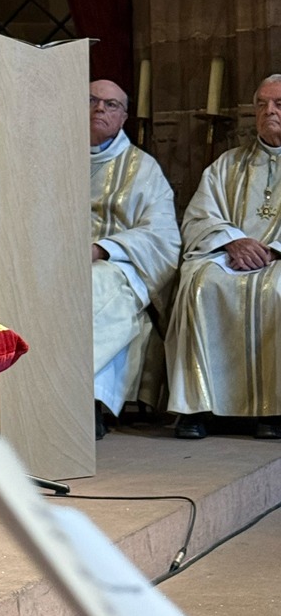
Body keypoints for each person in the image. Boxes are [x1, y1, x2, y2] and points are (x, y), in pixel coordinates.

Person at [165, 74, 281, 440]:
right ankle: (196, 407)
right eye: (261, 104)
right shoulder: (226, 165)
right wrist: (232, 241)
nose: (269, 111)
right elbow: (199, 216)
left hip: (278, 261)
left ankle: (274, 410)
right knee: (198, 283)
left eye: (278, 104)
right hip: (228, 256)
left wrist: (272, 249)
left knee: (276, 289)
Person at [88, 79, 180, 439]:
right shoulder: (54, 158)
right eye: (92, 101)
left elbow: (163, 236)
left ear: (124, 116)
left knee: (98, 288)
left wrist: (103, 249)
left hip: (122, 264)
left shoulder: (143, 168)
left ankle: (89, 401)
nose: (100, 109)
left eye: (111, 105)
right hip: (55, 263)